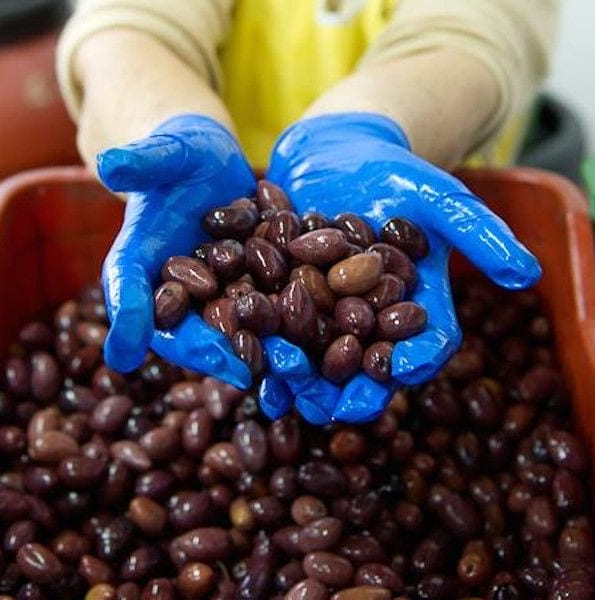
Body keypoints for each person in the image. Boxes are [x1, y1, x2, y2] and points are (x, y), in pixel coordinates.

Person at [55, 0, 560, 424]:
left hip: (417, 164)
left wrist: (365, 123)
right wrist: (165, 124)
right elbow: (126, 23)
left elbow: (481, 26)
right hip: (219, 184)